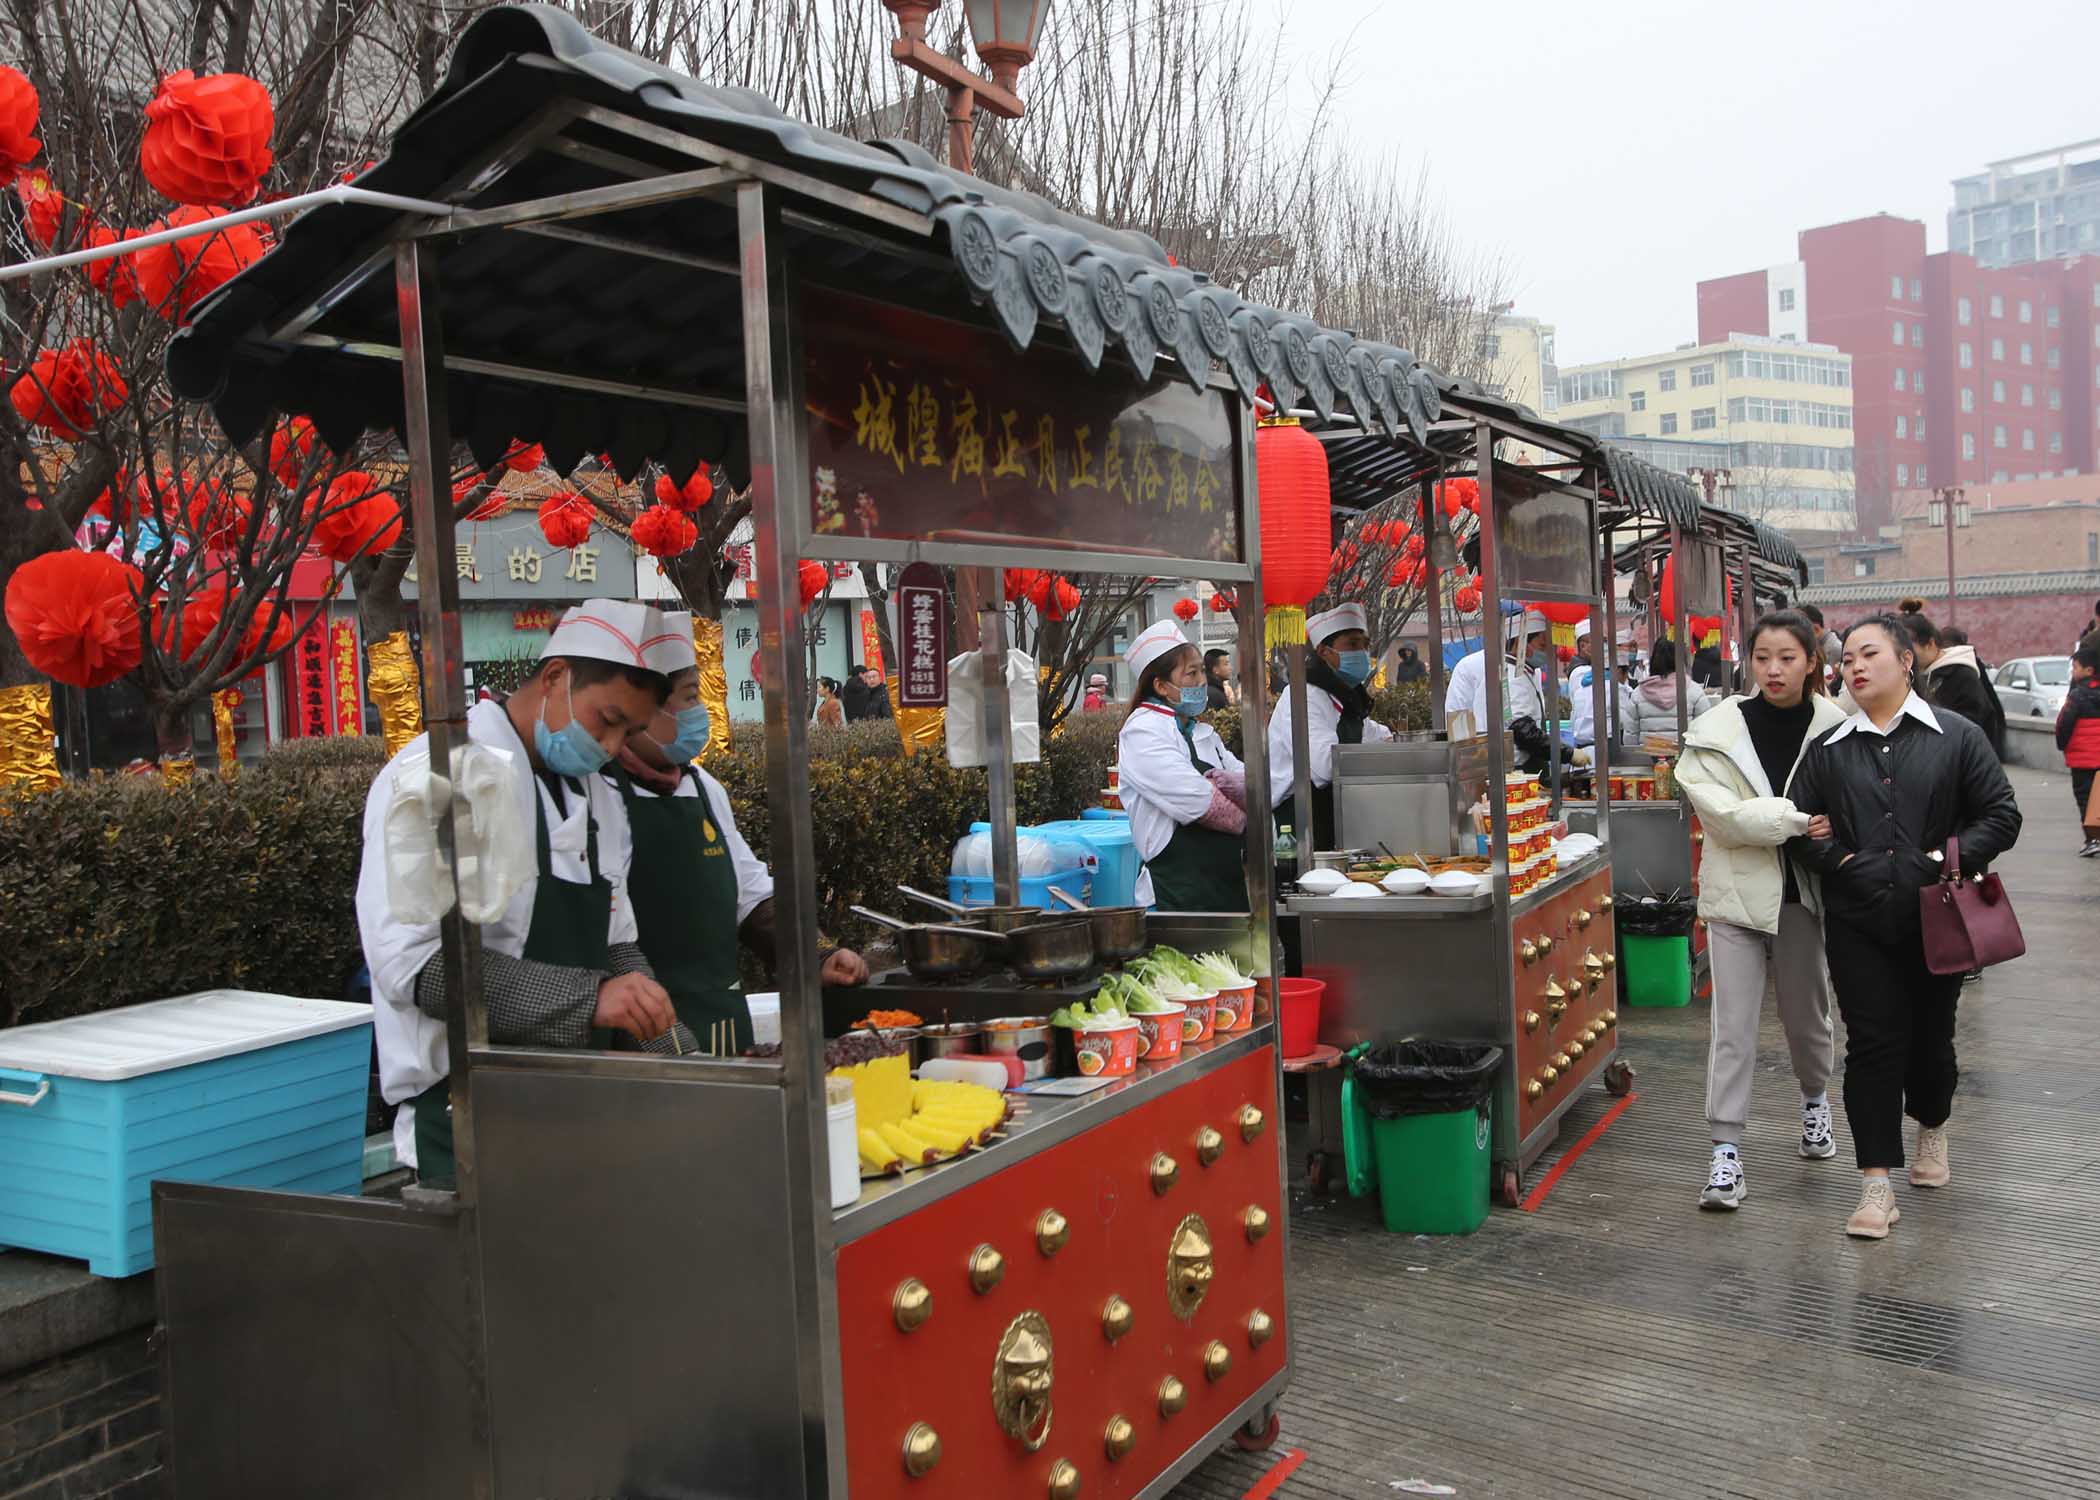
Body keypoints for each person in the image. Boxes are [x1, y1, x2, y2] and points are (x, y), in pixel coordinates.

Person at [356, 602, 690, 1190]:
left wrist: (679, 1053)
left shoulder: (601, 797)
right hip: (470, 1120)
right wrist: (590, 999)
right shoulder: (440, 778)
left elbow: (617, 942)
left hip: (579, 1108)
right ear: (556, 677)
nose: (613, 746)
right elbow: (416, 968)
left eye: (629, 732)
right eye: (606, 719)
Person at [1787, 613, 2022, 1239]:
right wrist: (1839, 859)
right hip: (1858, 922)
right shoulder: (1829, 750)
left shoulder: (1957, 736)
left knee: (1930, 1045)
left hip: (1938, 921)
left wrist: (1945, 857)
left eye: (1869, 654)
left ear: (1906, 661)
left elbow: (2001, 815)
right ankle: (1875, 1184)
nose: (1854, 667)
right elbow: (1799, 826)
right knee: (1871, 1045)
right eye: (1847, 659)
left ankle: (1933, 1128)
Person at [607, 612, 866, 1055]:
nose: (698, 713)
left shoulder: (704, 789)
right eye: (689, 698)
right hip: (647, 1045)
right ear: (640, 709)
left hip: (726, 1027)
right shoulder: (602, 794)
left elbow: (753, 898)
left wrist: (818, 954)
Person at [1676, 611, 1850, 1211]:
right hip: (1735, 898)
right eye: (1762, 658)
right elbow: (1720, 818)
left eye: (1788, 658)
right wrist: (1798, 821)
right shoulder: (1715, 730)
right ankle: (1725, 1152)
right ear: (1747, 662)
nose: (1773, 670)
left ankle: (1814, 1103)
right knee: (1733, 1028)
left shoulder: (1837, 727)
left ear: (1812, 664)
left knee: (1808, 1016)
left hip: (1805, 895)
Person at [1118, 620, 1248, 911]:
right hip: (1176, 893)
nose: (1202, 681)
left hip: (1225, 887)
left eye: (1202, 670)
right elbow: (1198, 801)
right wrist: (1242, 814)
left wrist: (1233, 787)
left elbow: (1250, 781)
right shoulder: (1142, 730)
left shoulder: (1203, 732)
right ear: (1161, 685)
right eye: (1191, 673)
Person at [1266, 604, 1396, 850]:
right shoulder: (1303, 696)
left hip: (1335, 810)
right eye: (1353, 644)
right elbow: (1326, 765)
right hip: (1297, 817)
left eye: (1365, 645)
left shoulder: (1344, 697)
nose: (1362, 653)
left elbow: (1380, 736)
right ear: (1324, 652)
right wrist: (1372, 751)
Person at [1908, 615, 2005, 761]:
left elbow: (1974, 721)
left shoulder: (1960, 674)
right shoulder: (1920, 675)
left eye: (1911, 651)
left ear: (1930, 644)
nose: (1907, 658)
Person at [2056, 638, 2100, 857]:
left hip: (2082, 760)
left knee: (2084, 798)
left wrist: (2061, 744)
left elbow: (2064, 723)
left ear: (2088, 670)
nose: (2073, 671)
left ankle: (2092, 839)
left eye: (2075, 667)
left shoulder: (2077, 695)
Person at [1628, 639, 1711, 746]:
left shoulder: (1637, 694)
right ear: (1681, 660)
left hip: (1648, 758)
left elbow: (1630, 735)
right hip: (1686, 758)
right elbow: (1705, 729)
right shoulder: (1695, 691)